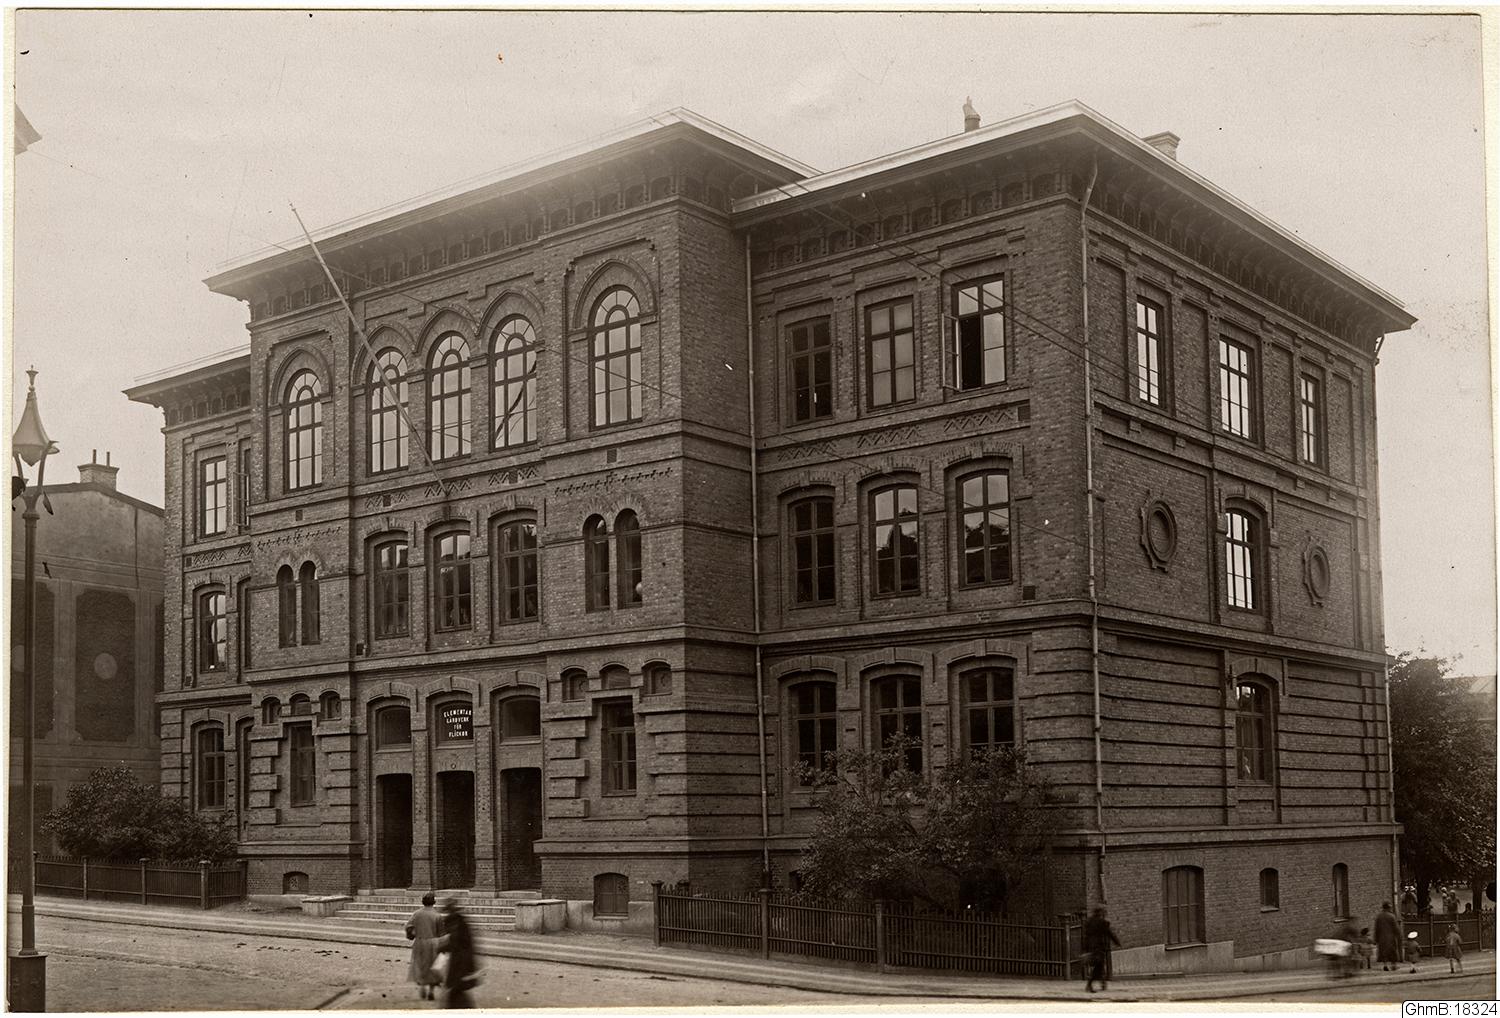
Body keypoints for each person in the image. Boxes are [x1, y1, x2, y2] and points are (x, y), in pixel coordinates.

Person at [438, 897, 479, 1008]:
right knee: (456, 989)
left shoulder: (454, 922)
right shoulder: (461, 921)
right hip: (463, 959)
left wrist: (441, 949)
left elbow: (454, 941)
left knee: (455, 988)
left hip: (459, 960)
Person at [405, 892, 443, 1001]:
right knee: (433, 966)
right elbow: (441, 932)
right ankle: (431, 991)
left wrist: (412, 935)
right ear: (434, 902)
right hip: (433, 943)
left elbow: (409, 926)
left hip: (420, 942)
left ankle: (422, 986)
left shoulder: (417, 914)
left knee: (420, 965)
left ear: (423, 902)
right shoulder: (437, 915)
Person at [1082, 906, 1121, 993]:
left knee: (1100, 965)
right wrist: (1117, 942)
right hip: (1098, 947)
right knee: (1098, 966)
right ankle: (1090, 984)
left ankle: (1102, 983)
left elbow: (1086, 936)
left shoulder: (1089, 921)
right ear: (1100, 913)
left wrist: (1085, 948)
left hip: (1091, 947)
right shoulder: (1101, 922)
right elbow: (1109, 933)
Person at [1374, 902, 1401, 971]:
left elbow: (1376, 928)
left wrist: (1376, 938)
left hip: (1381, 938)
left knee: (1383, 952)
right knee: (1392, 951)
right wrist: (1399, 934)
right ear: (1388, 908)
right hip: (1390, 937)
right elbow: (1395, 927)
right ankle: (1393, 965)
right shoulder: (1391, 916)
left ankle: (1385, 965)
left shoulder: (1379, 916)